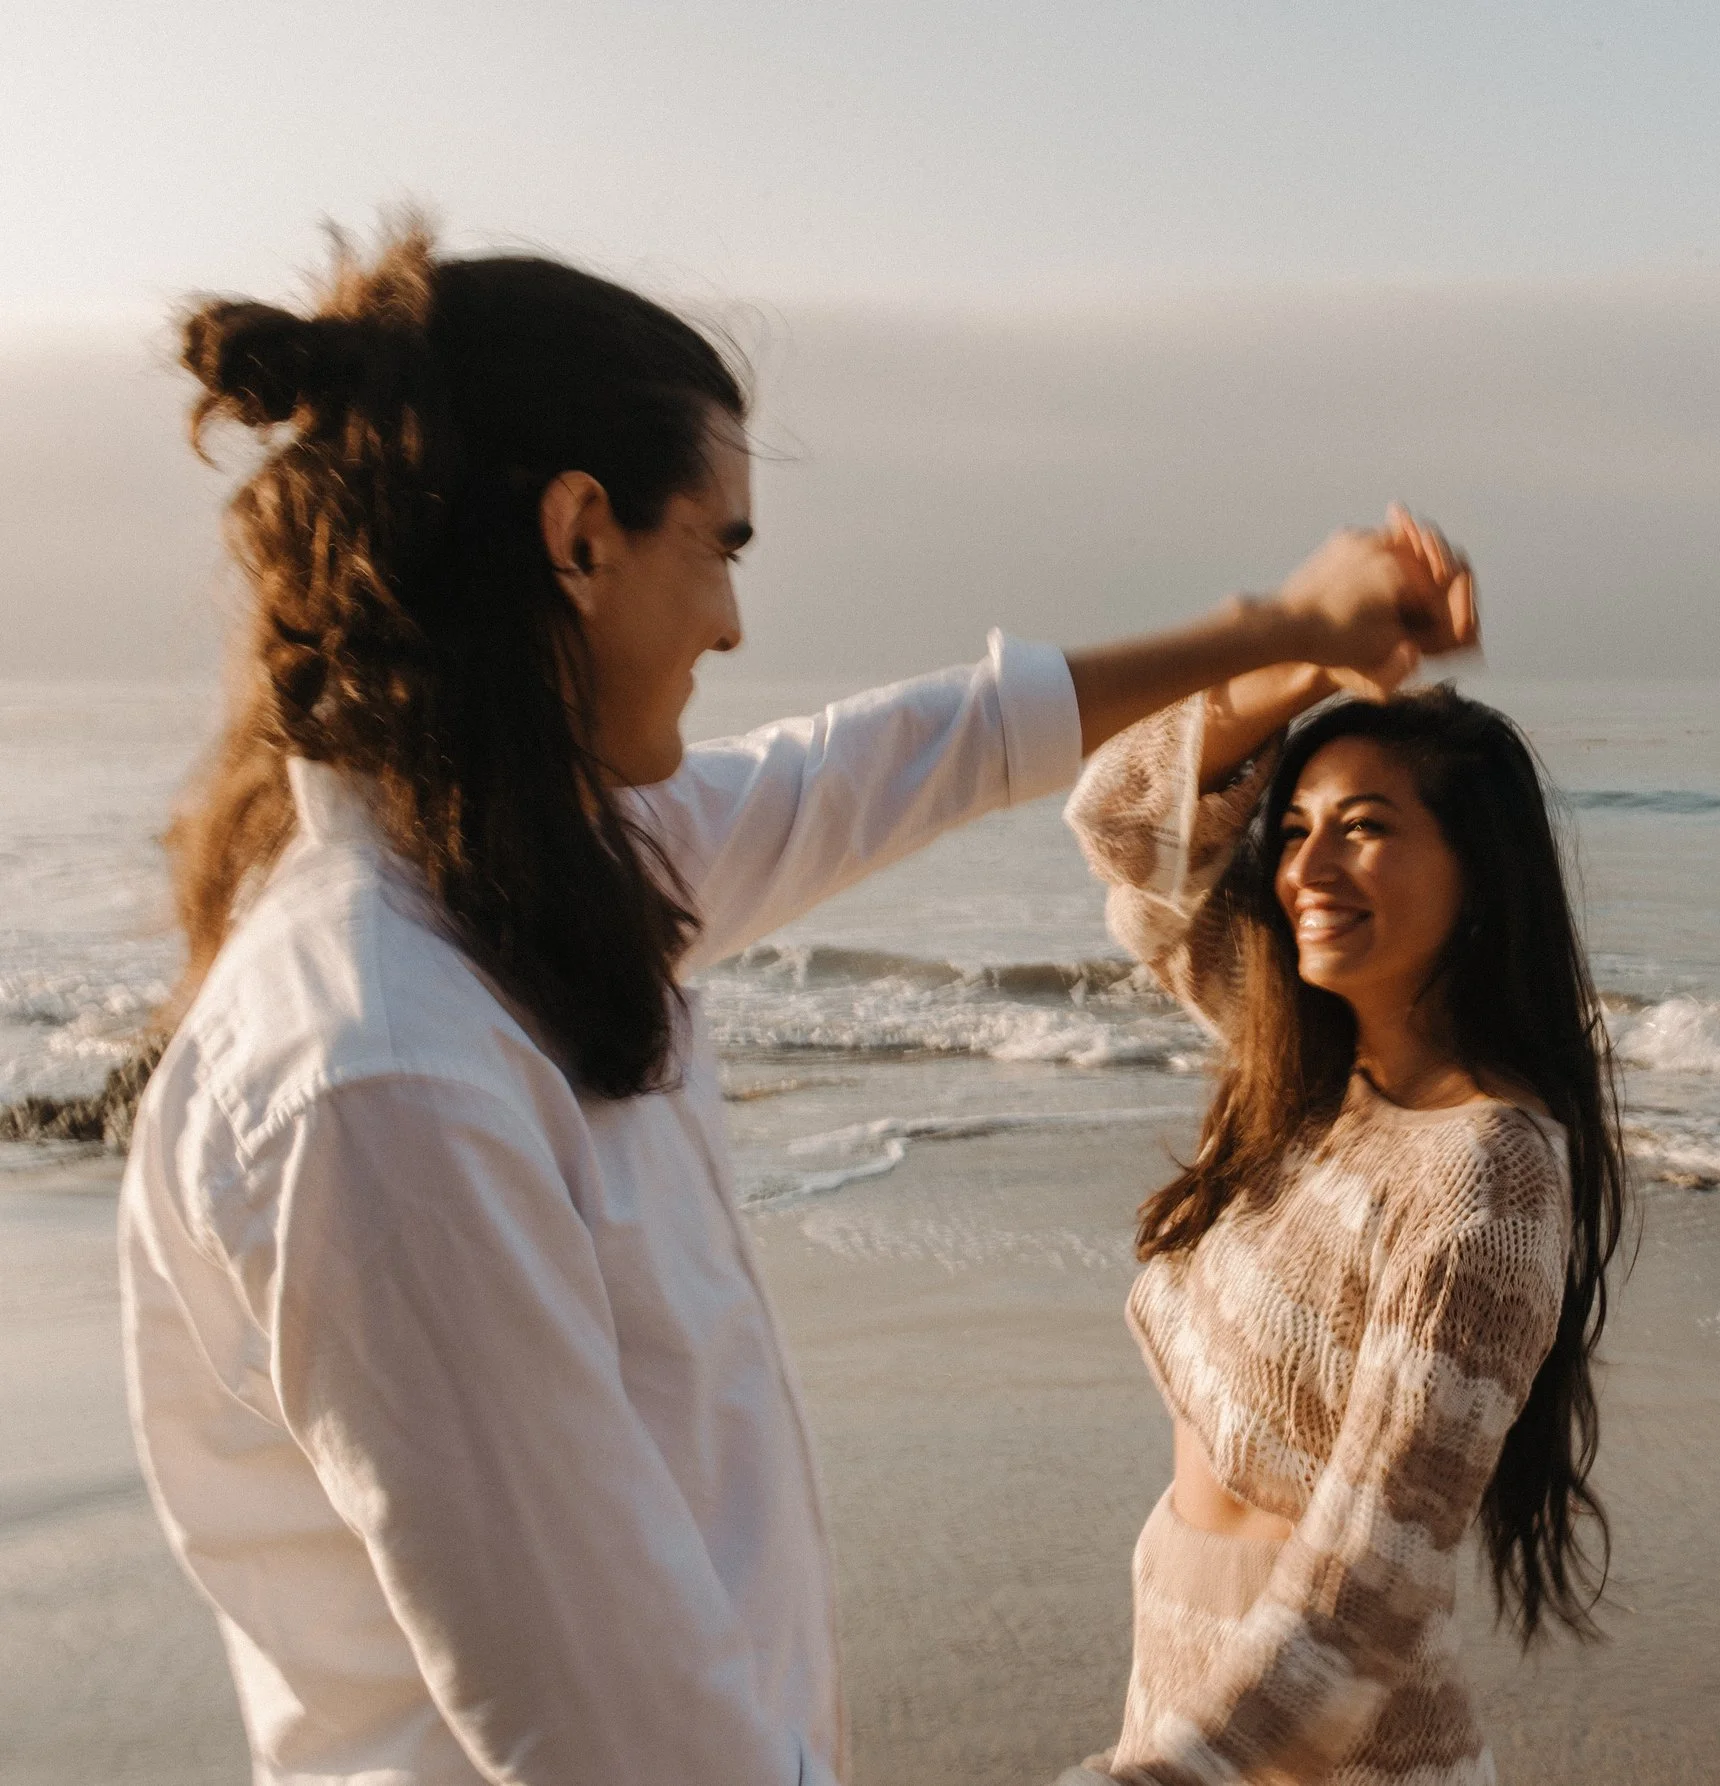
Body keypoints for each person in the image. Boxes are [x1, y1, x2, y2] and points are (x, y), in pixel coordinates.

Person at [117, 220, 1474, 1786]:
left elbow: (896, 759)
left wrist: (1285, 631)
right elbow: (616, 1738)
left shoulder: (538, 881)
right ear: (579, 535)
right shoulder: (383, 1074)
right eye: (725, 544)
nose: (733, 623)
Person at [1055, 665, 1627, 1785]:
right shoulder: (1299, 1073)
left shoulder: (1487, 1174)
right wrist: (1305, 663)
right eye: (1296, 829)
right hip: (1192, 1708)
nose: (1305, 869)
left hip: (1331, 1753)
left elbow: (1367, 1595)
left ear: (1480, 875)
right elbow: (1121, 818)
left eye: (1363, 829)